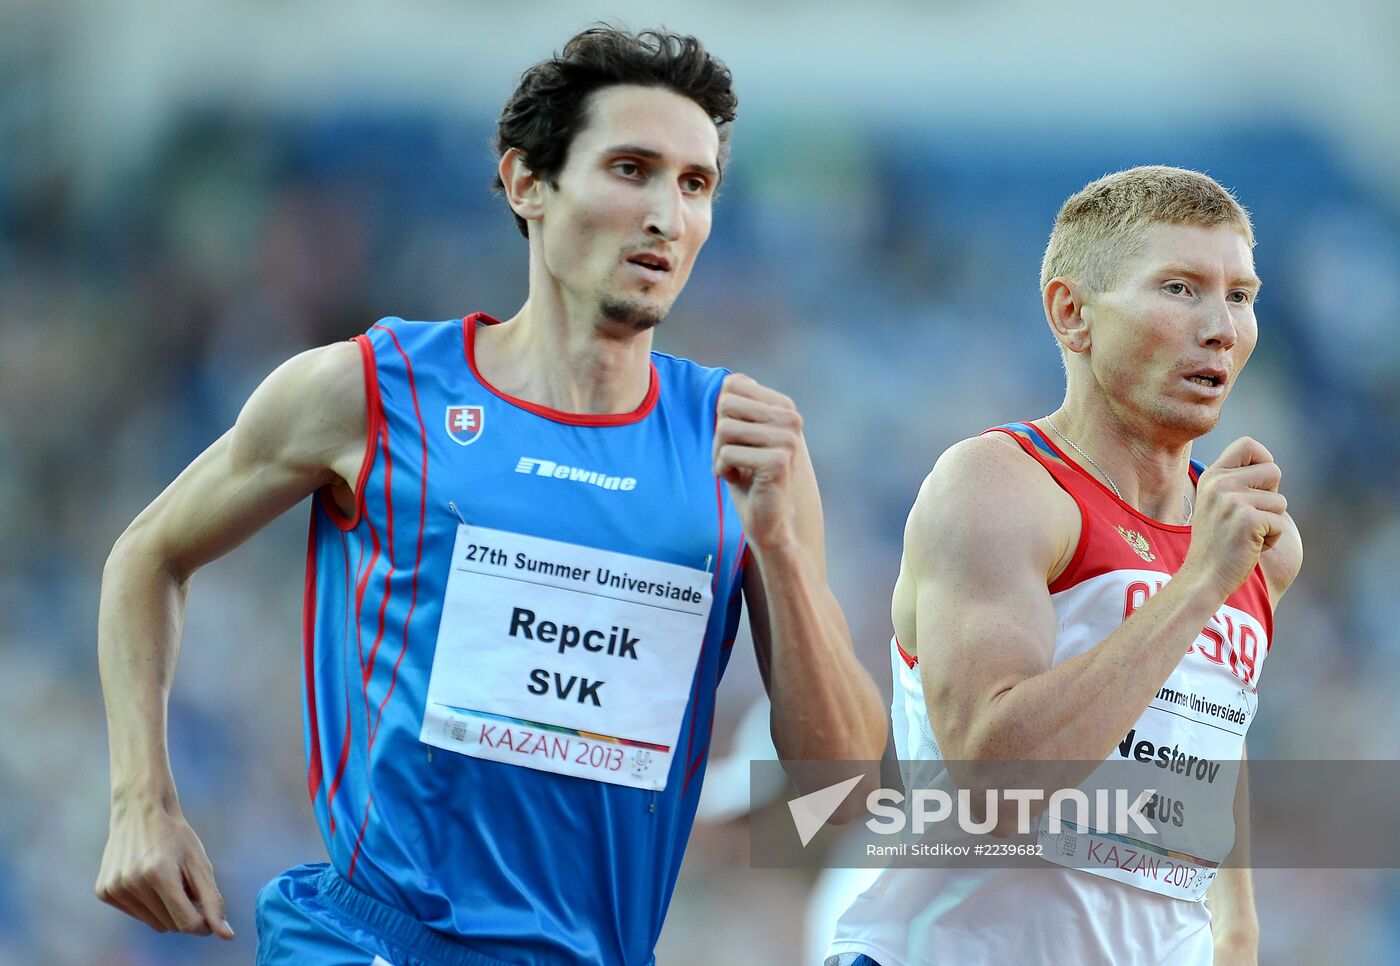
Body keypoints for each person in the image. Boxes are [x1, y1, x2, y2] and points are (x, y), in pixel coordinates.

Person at [96, 26, 886, 965]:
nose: (666, 216)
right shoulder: (371, 392)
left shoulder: (743, 448)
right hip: (371, 940)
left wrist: (783, 553)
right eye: (630, 168)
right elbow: (148, 553)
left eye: (695, 183)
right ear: (526, 184)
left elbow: (835, 792)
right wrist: (141, 800)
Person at [826, 166, 1303, 965]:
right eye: (1180, 289)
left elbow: (1205, 735)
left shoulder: (1255, 540)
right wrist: (1196, 584)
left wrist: (1238, 934)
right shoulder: (998, 485)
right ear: (1072, 313)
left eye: (1241, 296)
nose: (1220, 326)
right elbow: (994, 779)